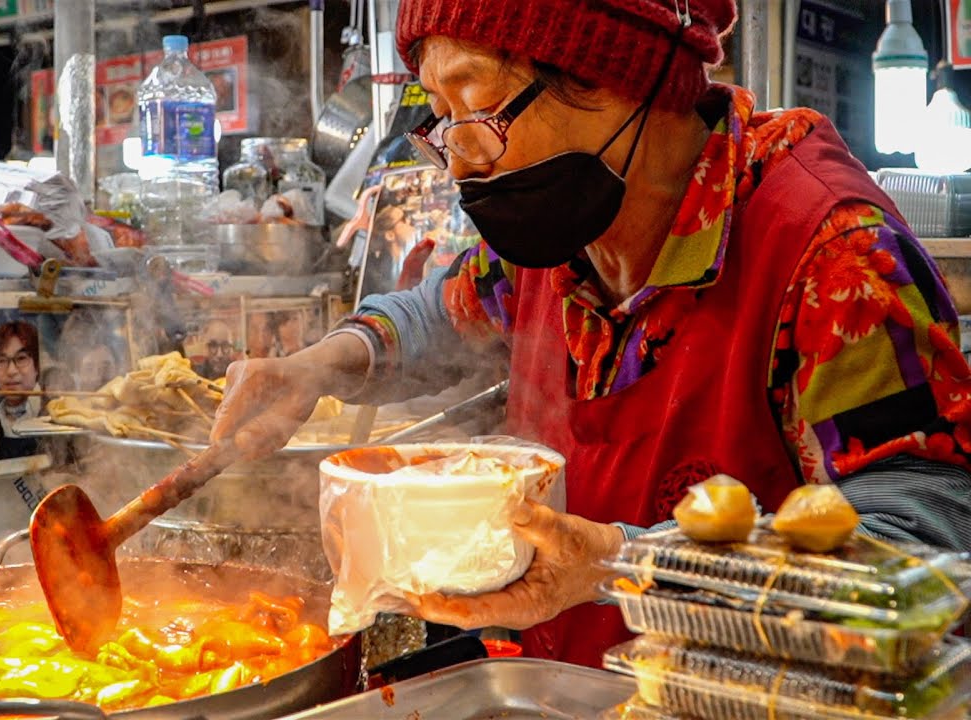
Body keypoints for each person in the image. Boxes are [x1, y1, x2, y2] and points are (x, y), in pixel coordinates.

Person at [211, 0, 971, 669]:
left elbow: (920, 546)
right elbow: (441, 316)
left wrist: (624, 564)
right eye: (441, 118)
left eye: (478, 107)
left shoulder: (835, 259)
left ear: (614, 76)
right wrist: (321, 365)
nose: (459, 157)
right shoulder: (562, 235)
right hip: (548, 687)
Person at [0, 320, 43, 461]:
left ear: (37, 367)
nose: (11, 371)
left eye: (21, 358)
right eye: (2, 361)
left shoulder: (53, 412)